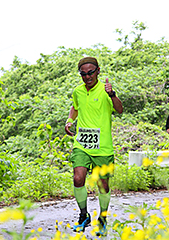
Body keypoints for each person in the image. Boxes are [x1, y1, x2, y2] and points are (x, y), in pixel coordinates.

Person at [65, 57, 123, 236]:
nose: (87, 76)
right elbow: (75, 107)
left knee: (103, 185)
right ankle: (84, 216)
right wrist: (69, 120)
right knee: (78, 179)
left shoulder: (106, 91)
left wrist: (112, 94)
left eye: (91, 72)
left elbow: (120, 110)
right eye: (83, 74)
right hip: (81, 144)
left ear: (98, 70)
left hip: (103, 147)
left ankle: (103, 219)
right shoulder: (78, 91)